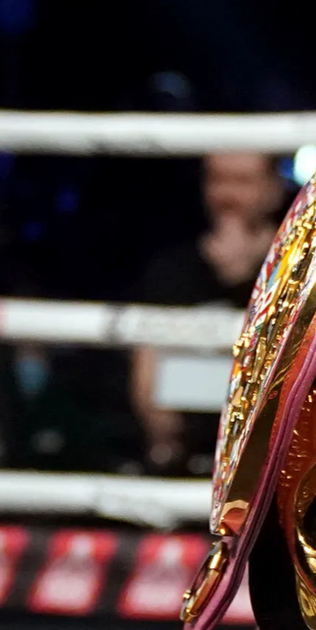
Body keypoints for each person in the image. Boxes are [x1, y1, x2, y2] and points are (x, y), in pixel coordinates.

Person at [131, 152, 286, 474]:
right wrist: (168, 447)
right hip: (186, 453)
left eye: (242, 181)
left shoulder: (301, 269)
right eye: (218, 179)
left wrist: (247, 280)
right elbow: (146, 380)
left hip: (273, 454)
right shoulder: (172, 271)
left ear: (273, 189)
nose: (227, 195)